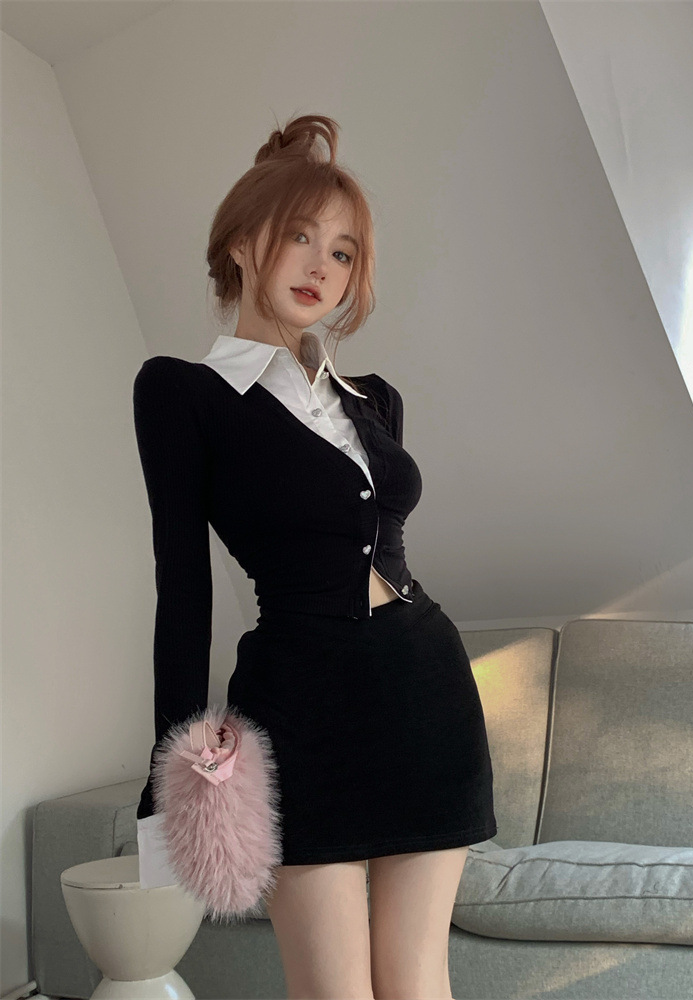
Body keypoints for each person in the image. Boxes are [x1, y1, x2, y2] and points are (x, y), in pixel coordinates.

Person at [133, 113, 496, 1000]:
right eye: (299, 236)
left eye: (342, 252)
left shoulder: (375, 399)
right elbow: (183, 587)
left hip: (425, 692)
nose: (320, 267)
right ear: (241, 242)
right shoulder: (182, 391)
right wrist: (169, 771)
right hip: (300, 710)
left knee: (418, 981)